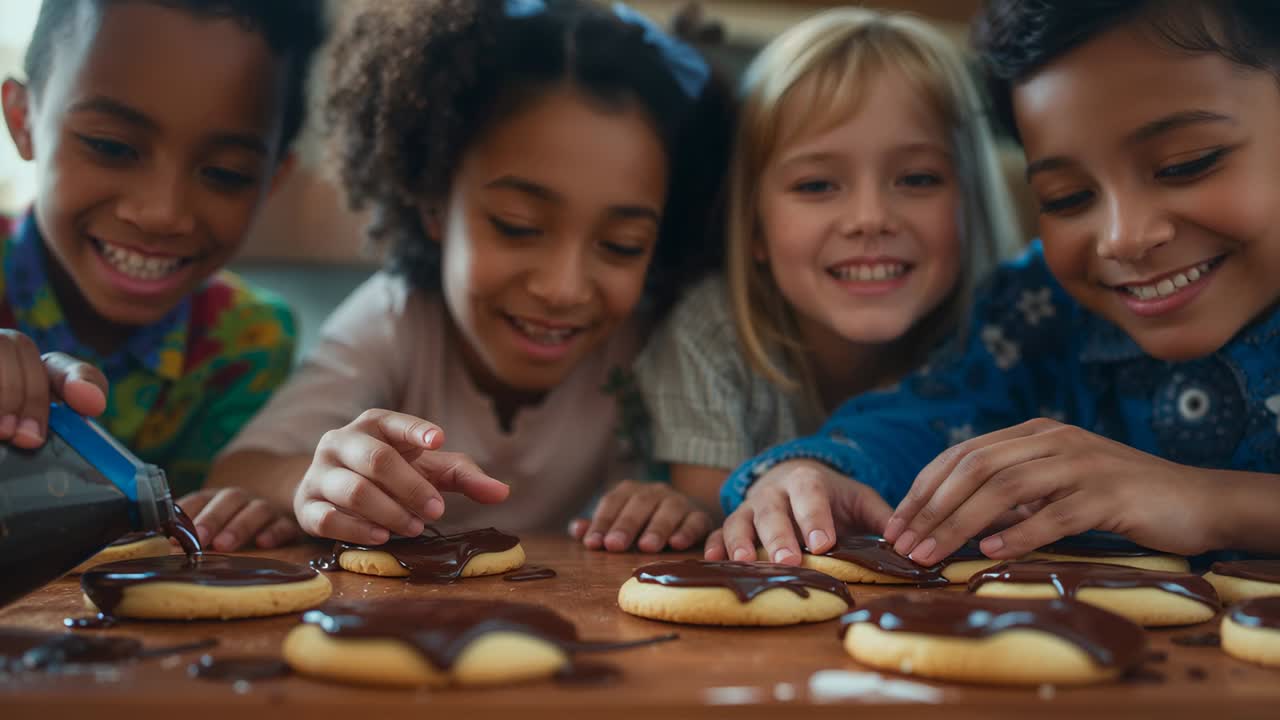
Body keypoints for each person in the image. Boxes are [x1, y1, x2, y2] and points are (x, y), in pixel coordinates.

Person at [710, 0, 1280, 567]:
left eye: (1187, 164)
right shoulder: (1035, 314)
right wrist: (812, 472)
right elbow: (926, 418)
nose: (1122, 238)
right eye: (1067, 198)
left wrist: (1211, 502)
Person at [207, 0, 732, 551]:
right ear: (434, 203)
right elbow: (238, 474)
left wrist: (678, 509)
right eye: (518, 226)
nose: (563, 288)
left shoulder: (660, 342)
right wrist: (313, 483)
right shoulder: (396, 320)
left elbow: (701, 500)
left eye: (623, 246)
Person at [614, 7, 1018, 554]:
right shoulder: (710, 338)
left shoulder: (1012, 343)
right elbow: (726, 532)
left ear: (969, 204)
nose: (871, 218)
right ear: (754, 225)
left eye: (918, 178)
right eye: (817, 185)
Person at [0, 0, 325, 550]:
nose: (162, 213)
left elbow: (209, 536)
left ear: (272, 180)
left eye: (225, 173)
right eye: (111, 146)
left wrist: (258, 505)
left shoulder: (251, 343)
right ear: (23, 118)